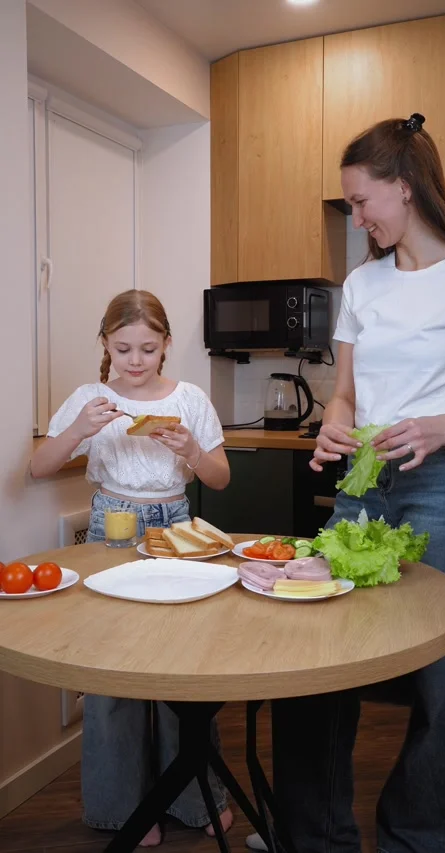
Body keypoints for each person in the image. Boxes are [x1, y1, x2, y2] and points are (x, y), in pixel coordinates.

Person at [248, 113, 445, 853]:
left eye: (360, 201)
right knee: (318, 661)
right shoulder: (361, 283)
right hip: (363, 484)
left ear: (404, 189)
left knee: (444, 684)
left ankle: (416, 839)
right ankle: (314, 837)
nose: (356, 216)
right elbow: (344, 392)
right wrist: (333, 425)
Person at [31, 289, 233, 847]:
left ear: (167, 344)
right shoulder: (89, 397)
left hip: (177, 526)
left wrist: (191, 448)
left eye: (148, 347)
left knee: (181, 669)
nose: (137, 360)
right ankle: (122, 809)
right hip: (111, 527)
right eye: (124, 349)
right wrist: (79, 431)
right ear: (105, 345)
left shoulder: (190, 398)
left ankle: (197, 799)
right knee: (111, 672)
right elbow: (38, 467)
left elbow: (219, 478)